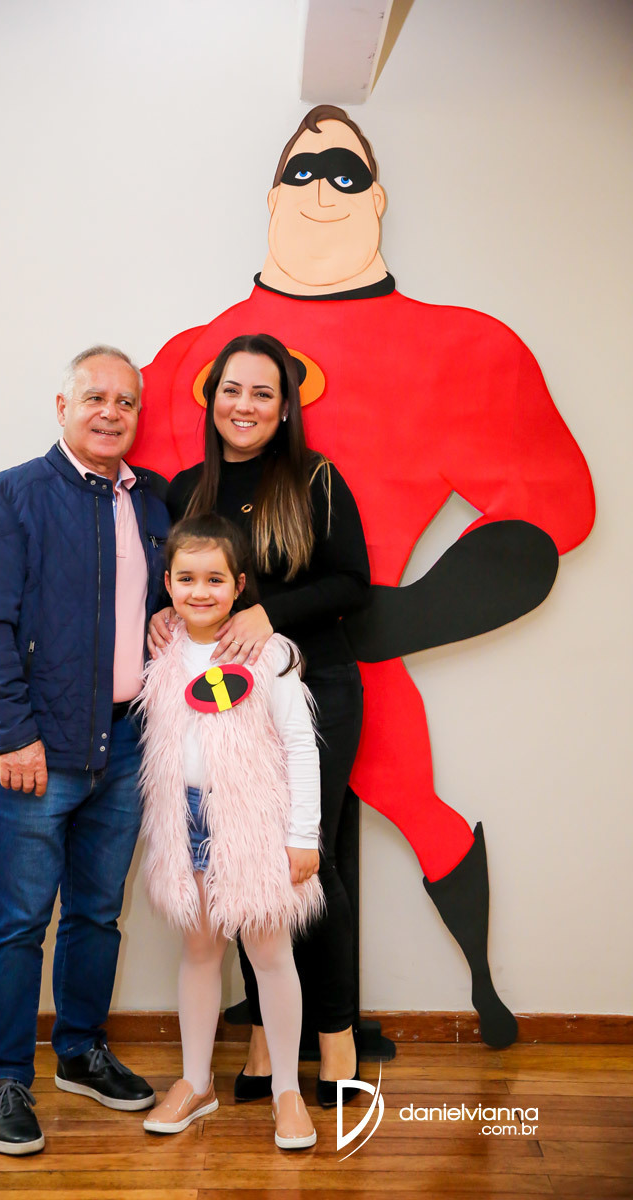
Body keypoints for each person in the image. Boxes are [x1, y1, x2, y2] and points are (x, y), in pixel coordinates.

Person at [132, 105, 595, 1049]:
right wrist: (159, 617)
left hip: (348, 661)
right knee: (257, 843)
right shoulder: (187, 359)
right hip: (234, 681)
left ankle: (399, 1015)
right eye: (301, 174)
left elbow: (552, 508)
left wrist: (402, 620)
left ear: (377, 199)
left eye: (344, 174)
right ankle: (280, 1028)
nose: (321, 193)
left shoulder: (463, 349)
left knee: (388, 819)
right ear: (271, 198)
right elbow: (147, 524)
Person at [0, 345, 170, 1156]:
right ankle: (7, 1077)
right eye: (95, 398)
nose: (111, 413)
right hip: (35, 749)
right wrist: (15, 734)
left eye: (126, 402)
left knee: (97, 913)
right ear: (62, 406)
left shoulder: (153, 504)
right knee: (18, 922)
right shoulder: (4, 498)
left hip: (127, 743)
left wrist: (167, 618)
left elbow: (164, 601)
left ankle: (80, 1050)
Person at [149, 333, 371, 1105]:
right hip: (225, 704)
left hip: (313, 688)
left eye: (262, 393)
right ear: (211, 400)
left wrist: (268, 611)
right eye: (231, 390)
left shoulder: (315, 479)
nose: (244, 406)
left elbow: (353, 583)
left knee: (307, 862)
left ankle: (336, 1041)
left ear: (285, 409)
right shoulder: (187, 489)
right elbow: (179, 583)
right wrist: (160, 616)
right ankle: (262, 1042)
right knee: (239, 863)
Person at [138, 513, 321, 1149]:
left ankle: (287, 1091)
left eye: (215, 579)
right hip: (184, 820)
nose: (200, 591)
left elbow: (300, 744)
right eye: (186, 578)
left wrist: (303, 835)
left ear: (239, 585)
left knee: (270, 954)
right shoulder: (161, 650)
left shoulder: (267, 654)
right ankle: (196, 1082)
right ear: (167, 584)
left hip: (253, 824)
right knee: (199, 951)